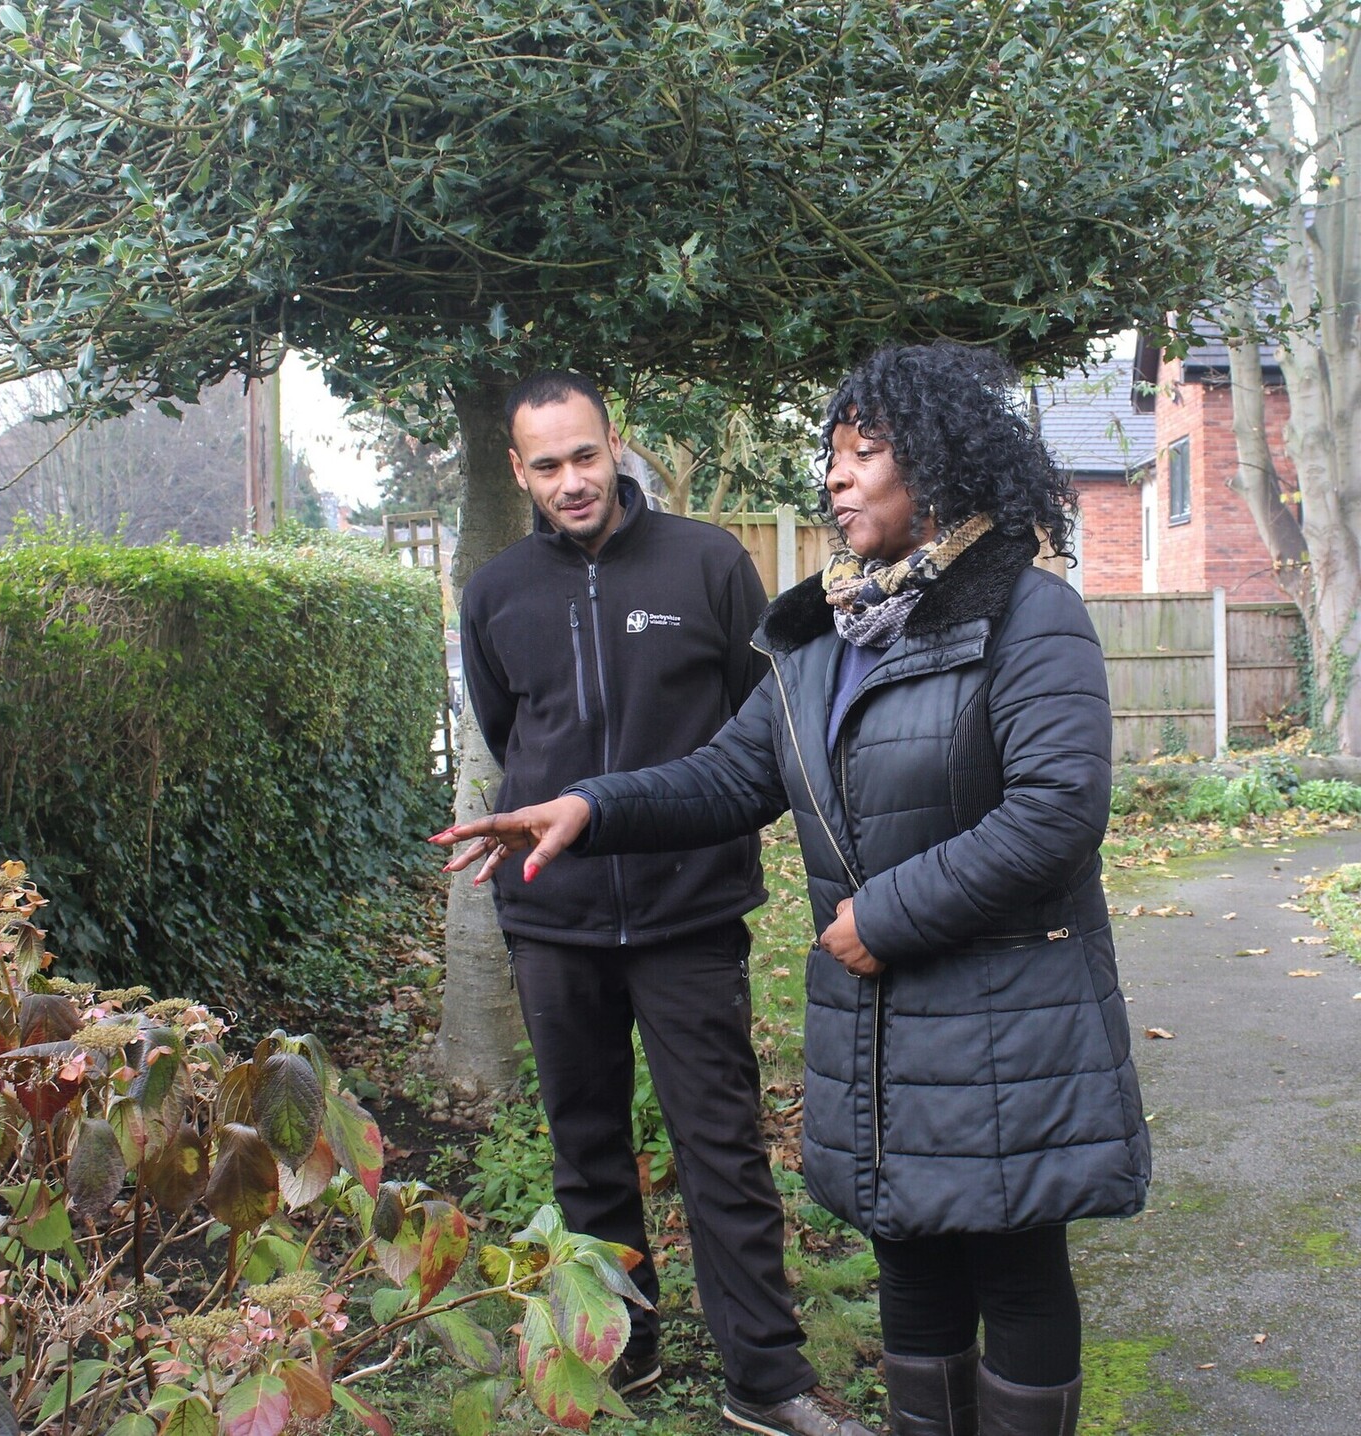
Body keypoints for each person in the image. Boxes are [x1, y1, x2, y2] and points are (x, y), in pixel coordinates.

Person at [438, 344, 1151, 1436]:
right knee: (907, 1252)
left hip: (1004, 1015)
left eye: (866, 454)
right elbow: (731, 772)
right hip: (880, 1021)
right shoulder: (825, 635)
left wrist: (884, 915)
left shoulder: (1026, 615)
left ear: (943, 468)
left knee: (1010, 1262)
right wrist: (592, 805)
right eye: (832, 452)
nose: (835, 474)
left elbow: (1055, 812)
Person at [452, 370, 863, 1436]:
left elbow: (754, 724)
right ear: (518, 470)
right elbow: (512, 738)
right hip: (553, 915)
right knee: (584, 1145)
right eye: (546, 465)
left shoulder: (707, 562)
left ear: (613, 443)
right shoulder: (495, 593)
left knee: (719, 1142)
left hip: (689, 909)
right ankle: (618, 1353)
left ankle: (764, 1377)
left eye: (585, 455)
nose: (571, 480)